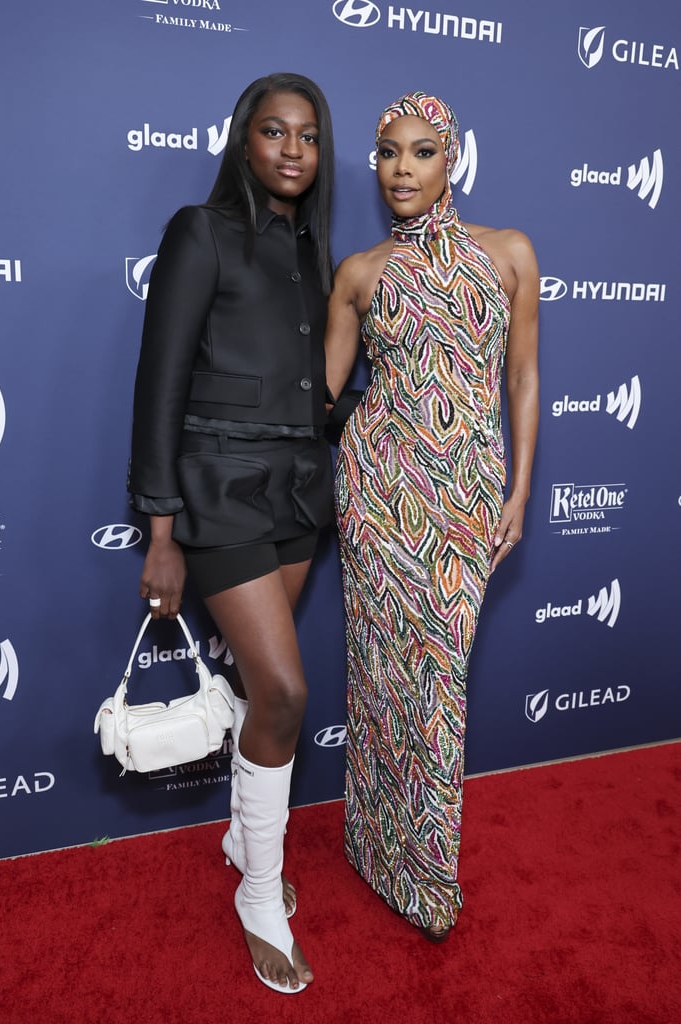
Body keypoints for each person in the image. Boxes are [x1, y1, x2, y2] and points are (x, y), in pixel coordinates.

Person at [128, 72, 335, 993]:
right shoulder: (200, 230)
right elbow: (159, 385)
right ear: (243, 142)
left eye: (307, 136)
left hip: (297, 492)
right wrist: (161, 531)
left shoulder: (311, 250)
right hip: (218, 491)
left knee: (263, 693)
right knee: (286, 694)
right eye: (273, 132)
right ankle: (258, 888)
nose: (292, 149)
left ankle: (236, 832)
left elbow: (311, 390)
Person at [324, 92, 539, 941]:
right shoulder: (360, 272)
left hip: (467, 495)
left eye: (419, 152)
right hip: (379, 495)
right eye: (387, 153)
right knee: (380, 677)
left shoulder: (509, 254)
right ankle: (375, 849)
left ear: (451, 160)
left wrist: (518, 490)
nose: (401, 169)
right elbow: (323, 395)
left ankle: (427, 875)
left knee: (436, 683)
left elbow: (519, 379)